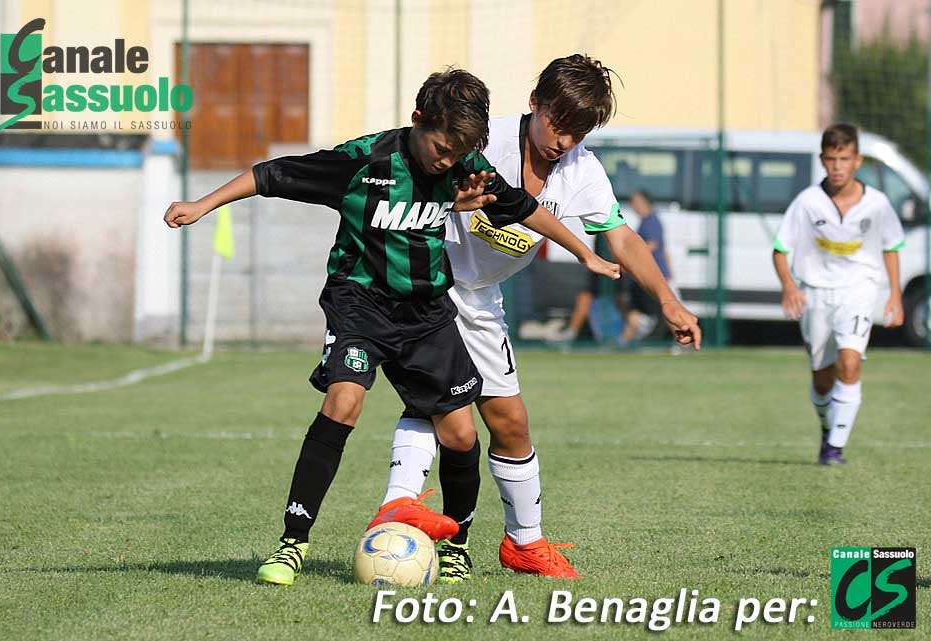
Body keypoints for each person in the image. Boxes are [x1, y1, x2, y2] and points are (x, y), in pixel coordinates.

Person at [163, 68, 619, 587]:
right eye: (441, 148)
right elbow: (270, 175)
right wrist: (201, 205)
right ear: (418, 119)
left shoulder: (465, 165)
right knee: (344, 401)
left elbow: (523, 208)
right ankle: (292, 544)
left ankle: (456, 548)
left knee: (461, 433)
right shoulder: (367, 161)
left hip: (426, 312)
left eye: (457, 152)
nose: (446, 160)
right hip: (361, 302)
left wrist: (583, 252)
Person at [367, 55, 701, 582]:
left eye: (578, 132)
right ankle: (399, 513)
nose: (564, 141)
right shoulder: (484, 141)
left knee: (510, 423)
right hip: (427, 281)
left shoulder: (582, 172)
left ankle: (524, 544)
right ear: (535, 104)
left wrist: (667, 299)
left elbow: (622, 238)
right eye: (558, 124)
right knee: (439, 408)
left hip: (482, 299)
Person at [772, 123, 904, 466]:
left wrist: (895, 295)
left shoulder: (877, 204)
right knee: (822, 378)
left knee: (850, 361)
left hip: (859, 289)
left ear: (857, 160)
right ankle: (827, 430)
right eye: (831, 159)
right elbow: (780, 249)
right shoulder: (807, 202)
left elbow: (891, 246)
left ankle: (835, 448)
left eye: (844, 159)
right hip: (815, 293)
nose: (837, 166)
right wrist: (789, 286)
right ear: (822, 160)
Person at [618, 190, 671, 346]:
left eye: (634, 201)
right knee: (632, 308)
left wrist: (629, 259)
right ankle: (623, 342)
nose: (632, 205)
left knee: (668, 309)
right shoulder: (645, 221)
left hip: (653, 275)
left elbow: (653, 245)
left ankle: (687, 341)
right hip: (644, 275)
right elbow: (664, 249)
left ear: (644, 202)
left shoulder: (651, 221)